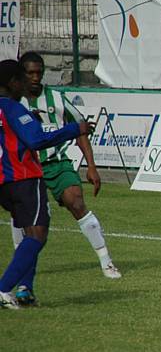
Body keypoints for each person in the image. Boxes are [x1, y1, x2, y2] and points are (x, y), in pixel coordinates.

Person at [10, 52, 121, 301]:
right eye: (30, 73)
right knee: (27, 225)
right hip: (28, 168)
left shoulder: (57, 99)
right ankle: (22, 282)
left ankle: (106, 261)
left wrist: (91, 166)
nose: (36, 77)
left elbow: (80, 127)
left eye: (39, 72)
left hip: (57, 164)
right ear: (21, 74)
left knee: (77, 202)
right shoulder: (13, 104)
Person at [0, 59, 93, 309]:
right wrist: (75, 129)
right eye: (21, 79)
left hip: (4, 181)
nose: (25, 84)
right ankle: (4, 288)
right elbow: (37, 140)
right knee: (37, 234)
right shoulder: (13, 108)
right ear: (12, 83)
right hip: (24, 178)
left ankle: (25, 292)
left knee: (30, 233)